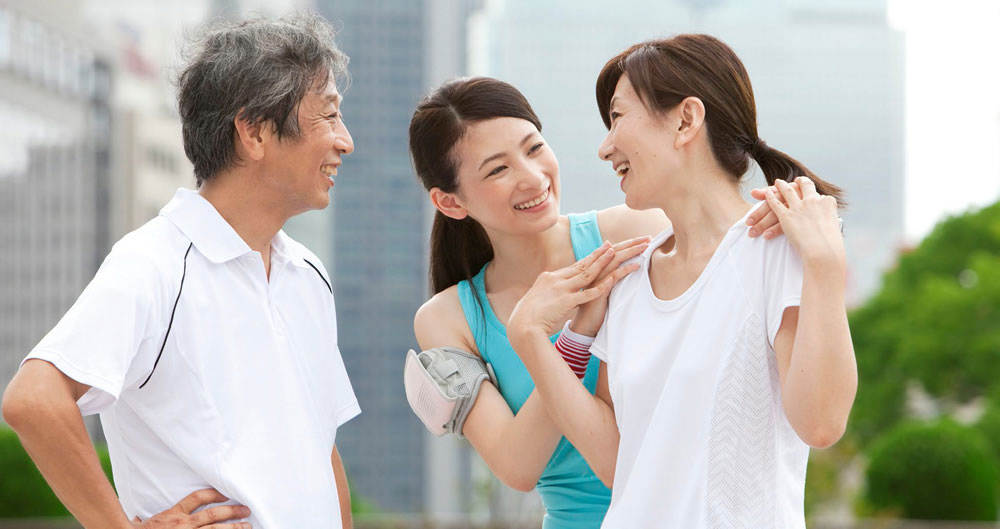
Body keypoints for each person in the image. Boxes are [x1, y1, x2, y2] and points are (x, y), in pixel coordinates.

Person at [0, 14, 359, 529]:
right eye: (327, 117)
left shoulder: (308, 273)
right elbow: (33, 399)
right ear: (254, 131)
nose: (344, 141)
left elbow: (320, 451)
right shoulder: (154, 264)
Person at [405, 76, 792, 529]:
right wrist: (574, 338)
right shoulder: (448, 318)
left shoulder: (634, 231)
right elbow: (517, 466)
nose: (532, 177)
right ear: (449, 202)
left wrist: (792, 220)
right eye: (497, 170)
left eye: (533, 148)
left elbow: (734, 252)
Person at [506, 35, 858, 528]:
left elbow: (820, 423)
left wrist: (824, 264)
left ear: (686, 120)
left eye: (618, 117)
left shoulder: (777, 253)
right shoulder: (628, 280)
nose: (605, 147)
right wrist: (529, 340)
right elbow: (618, 465)